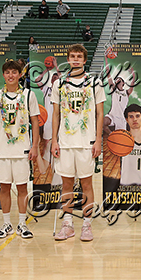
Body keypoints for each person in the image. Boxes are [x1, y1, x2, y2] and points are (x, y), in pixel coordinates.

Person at [51, 44, 105, 242]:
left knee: (86, 184)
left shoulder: (94, 82)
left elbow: (100, 114)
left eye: (79, 56)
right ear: (68, 59)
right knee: (66, 184)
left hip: (86, 142)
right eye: (72, 56)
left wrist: (98, 140)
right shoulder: (59, 83)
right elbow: (55, 114)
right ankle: (68, 224)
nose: (75, 59)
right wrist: (54, 140)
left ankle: (87, 224)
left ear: (84, 60)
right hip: (65, 141)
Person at [0, 60, 40, 239]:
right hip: (2, 149)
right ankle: (6, 224)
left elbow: (35, 122)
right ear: (3, 75)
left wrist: (34, 146)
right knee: (4, 188)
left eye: (14, 72)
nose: (11, 75)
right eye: (8, 72)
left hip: (22, 149)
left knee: (22, 188)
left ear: (20, 75)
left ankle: (22, 224)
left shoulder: (28, 95)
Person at [103, 55, 135, 136]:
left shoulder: (127, 92)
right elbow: (108, 74)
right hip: (112, 115)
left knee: (121, 138)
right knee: (103, 123)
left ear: (123, 83)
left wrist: (133, 74)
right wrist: (106, 59)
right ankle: (111, 134)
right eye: (116, 79)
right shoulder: (114, 89)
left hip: (121, 118)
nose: (117, 80)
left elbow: (133, 83)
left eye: (119, 79)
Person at [119, 104, 141, 187]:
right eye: (131, 117)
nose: (135, 119)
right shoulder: (121, 140)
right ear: (126, 119)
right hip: (126, 185)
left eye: (137, 116)